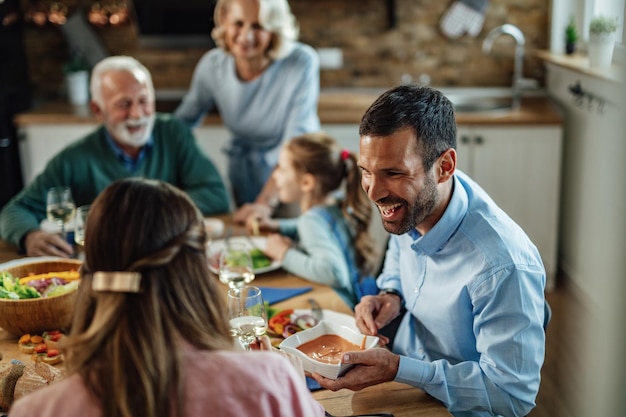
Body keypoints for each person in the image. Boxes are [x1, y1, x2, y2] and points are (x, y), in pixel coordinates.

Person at [311, 85, 548, 417]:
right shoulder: (415, 202)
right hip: (398, 383)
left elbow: (512, 397)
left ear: (445, 167)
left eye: (393, 173)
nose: (375, 192)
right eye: (367, 172)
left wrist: (398, 369)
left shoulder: (502, 265)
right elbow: (398, 251)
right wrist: (391, 293)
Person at [8, 178, 325, 417]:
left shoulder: (38, 410)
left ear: (90, 277)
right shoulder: (270, 383)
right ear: (197, 273)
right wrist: (297, 393)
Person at [0, 55, 230, 258]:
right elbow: (14, 211)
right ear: (98, 110)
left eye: (143, 101)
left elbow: (215, 195)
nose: (137, 114)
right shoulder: (74, 159)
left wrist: (148, 216)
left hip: (171, 261)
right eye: (124, 104)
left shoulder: (173, 133)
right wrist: (30, 236)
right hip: (110, 268)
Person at [174, 0, 321, 219]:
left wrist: (265, 202)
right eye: (238, 23)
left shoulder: (301, 62)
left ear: (274, 29)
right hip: (243, 171)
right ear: (224, 19)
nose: (246, 36)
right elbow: (180, 126)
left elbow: (295, 142)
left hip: (297, 173)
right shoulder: (212, 66)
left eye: (258, 26)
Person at [247, 132, 378, 308]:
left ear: (307, 183)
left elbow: (333, 273)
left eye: (282, 169)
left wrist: (284, 254)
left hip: (341, 307)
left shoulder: (310, 221)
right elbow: (320, 230)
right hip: (361, 301)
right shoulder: (337, 206)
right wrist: (278, 226)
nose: (275, 175)